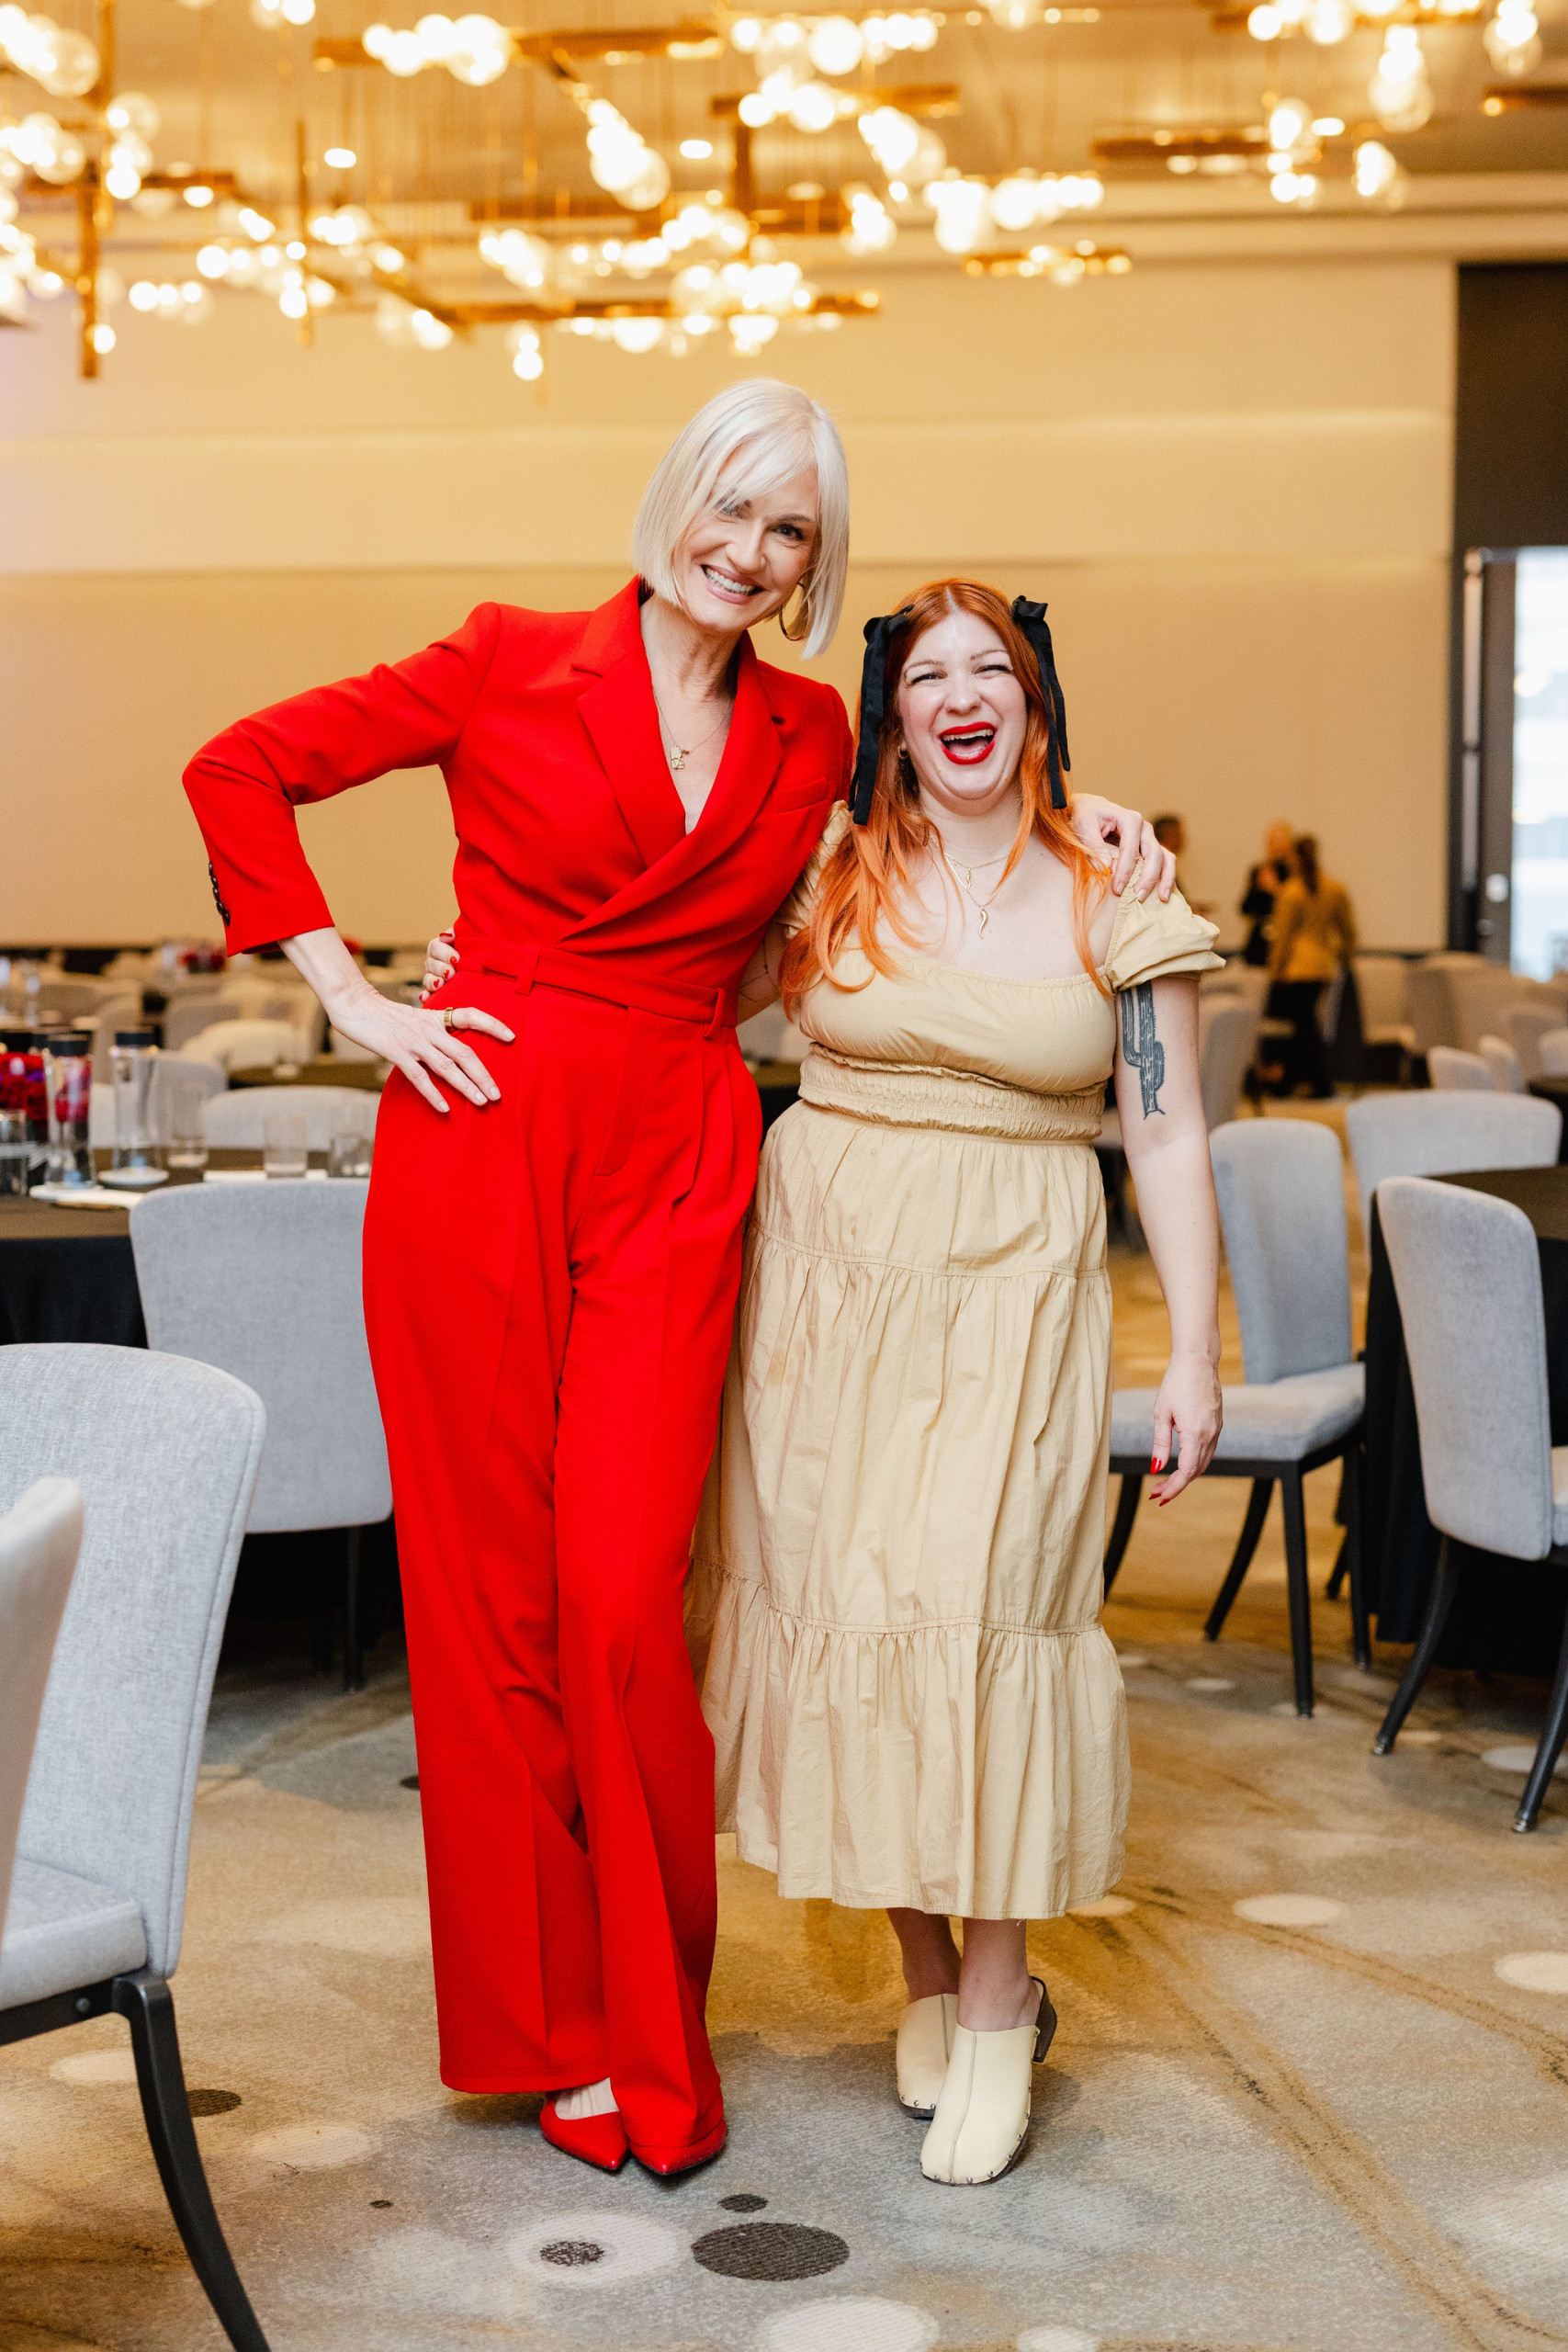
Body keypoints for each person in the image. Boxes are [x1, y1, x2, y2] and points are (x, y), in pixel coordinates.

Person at [186, 380, 1177, 2186]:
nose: (747, 547)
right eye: (730, 505)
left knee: (631, 1598)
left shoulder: (809, 729)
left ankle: (651, 2025)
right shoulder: (503, 656)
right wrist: (351, 996)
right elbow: (239, 765)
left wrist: (1090, 812)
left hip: (676, 1153)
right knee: (490, 1606)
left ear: (815, 562)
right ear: (674, 502)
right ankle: (547, 2031)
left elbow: (944, 819)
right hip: (477, 1136)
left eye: (788, 526)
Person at [687, 579, 1224, 2187]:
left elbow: (1170, 1129)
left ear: (1037, 701)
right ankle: (928, 1972)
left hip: (1015, 1295)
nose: (964, 695)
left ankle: (994, 2003)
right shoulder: (830, 873)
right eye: (931, 674)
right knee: (849, 1618)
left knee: (982, 1616)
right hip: (822, 1301)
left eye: (994, 669)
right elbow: (671, 999)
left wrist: (1192, 1350)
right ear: (895, 711)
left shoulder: (1111, 884)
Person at [1265, 834, 1357, 1099]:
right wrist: (1345, 960)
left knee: (1304, 1029)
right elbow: (1348, 931)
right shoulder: (1335, 889)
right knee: (1306, 1027)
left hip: (1296, 969)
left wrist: (1276, 969)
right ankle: (1299, 1083)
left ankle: (1318, 1084)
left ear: (1294, 857)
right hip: (1324, 966)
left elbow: (1283, 938)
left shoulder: (1290, 892)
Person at [1239, 823, 1296, 967]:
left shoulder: (1296, 873)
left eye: (1279, 841)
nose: (1274, 846)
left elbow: (1299, 908)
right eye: (1271, 841)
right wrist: (1258, 889)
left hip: (1288, 941)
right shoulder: (1259, 871)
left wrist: (1276, 890)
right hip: (1261, 942)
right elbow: (1245, 908)